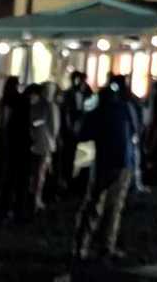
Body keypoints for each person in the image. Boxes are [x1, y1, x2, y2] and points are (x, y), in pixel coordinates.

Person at [72, 75, 139, 261]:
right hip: (124, 163)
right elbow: (136, 131)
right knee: (114, 207)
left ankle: (81, 246)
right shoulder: (126, 109)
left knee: (93, 204)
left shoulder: (97, 113)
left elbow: (83, 135)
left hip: (103, 163)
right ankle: (106, 245)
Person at [0, 76, 32, 220]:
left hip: (3, 141)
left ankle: (0, 204)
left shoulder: (2, 101)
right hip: (17, 144)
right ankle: (15, 208)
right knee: (17, 177)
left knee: (3, 173)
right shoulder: (20, 101)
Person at [54, 71, 92, 196]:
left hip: (80, 131)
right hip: (69, 132)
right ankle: (66, 181)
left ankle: (74, 183)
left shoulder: (87, 93)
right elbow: (66, 113)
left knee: (78, 158)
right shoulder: (69, 94)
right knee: (67, 157)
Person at [26, 82, 59, 216]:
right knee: (40, 174)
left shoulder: (36, 105)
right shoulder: (51, 106)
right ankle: (36, 199)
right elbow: (54, 128)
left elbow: (33, 122)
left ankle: (33, 197)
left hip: (36, 143)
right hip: (45, 145)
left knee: (35, 173)